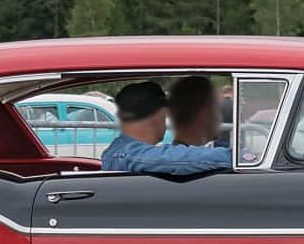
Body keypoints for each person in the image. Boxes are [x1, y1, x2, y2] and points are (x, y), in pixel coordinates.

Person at [98, 80, 231, 176]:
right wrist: (237, 158)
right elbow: (176, 159)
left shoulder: (121, 150)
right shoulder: (126, 154)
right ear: (157, 113)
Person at [169, 75, 218, 147]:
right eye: (216, 108)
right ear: (203, 114)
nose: (218, 117)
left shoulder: (169, 152)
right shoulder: (219, 154)